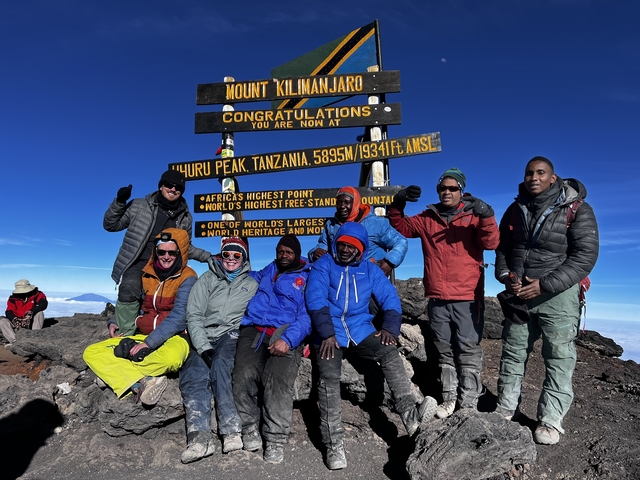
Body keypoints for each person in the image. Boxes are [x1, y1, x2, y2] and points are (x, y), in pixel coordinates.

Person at [305, 221, 437, 470]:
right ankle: (334, 445)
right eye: (341, 244)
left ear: (361, 248)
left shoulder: (370, 269)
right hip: (329, 331)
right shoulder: (324, 264)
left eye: (351, 246)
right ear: (336, 243)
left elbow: (390, 298)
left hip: (360, 329)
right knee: (328, 378)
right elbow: (315, 298)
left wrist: (389, 328)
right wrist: (326, 333)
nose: (345, 250)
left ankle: (410, 416)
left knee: (388, 350)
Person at [493, 156, 599, 445]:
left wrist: (545, 284)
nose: (534, 177)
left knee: (559, 357)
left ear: (553, 178)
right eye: (529, 173)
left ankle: (551, 420)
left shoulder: (577, 209)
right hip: (519, 295)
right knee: (513, 352)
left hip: (558, 295)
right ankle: (506, 407)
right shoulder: (515, 209)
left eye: (541, 173)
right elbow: (503, 247)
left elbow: (584, 256)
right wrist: (506, 275)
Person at [388, 168, 500, 418]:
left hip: (468, 296)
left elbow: (491, 243)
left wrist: (488, 215)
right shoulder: (429, 217)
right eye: (442, 188)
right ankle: (449, 398)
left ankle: (468, 401)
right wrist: (398, 202)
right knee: (444, 349)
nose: (446, 192)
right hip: (437, 296)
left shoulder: (473, 216)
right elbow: (401, 227)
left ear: (461, 190)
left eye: (452, 188)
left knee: (468, 348)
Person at [83, 228, 196, 406]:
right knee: (91, 352)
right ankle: (148, 378)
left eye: (172, 252)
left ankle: (116, 373)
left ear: (180, 253)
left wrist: (148, 344)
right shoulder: (147, 275)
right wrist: (115, 321)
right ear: (156, 252)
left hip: (175, 337)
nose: (166, 256)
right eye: (161, 252)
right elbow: (134, 306)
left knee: (171, 359)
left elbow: (180, 316)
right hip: (141, 334)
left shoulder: (188, 277)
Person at [232, 234, 311, 465]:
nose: (284, 256)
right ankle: (249, 427)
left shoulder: (307, 277)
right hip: (254, 328)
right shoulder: (270, 269)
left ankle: (275, 439)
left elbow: (307, 316)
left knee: (277, 379)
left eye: (289, 252)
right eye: (280, 251)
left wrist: (288, 339)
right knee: (242, 373)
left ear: (296, 253)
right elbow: (247, 277)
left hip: (285, 331)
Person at [103, 169, 210, 338]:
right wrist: (120, 201)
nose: (173, 189)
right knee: (129, 288)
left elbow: (185, 247)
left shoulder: (185, 217)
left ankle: (158, 335)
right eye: (169, 185)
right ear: (161, 186)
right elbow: (111, 225)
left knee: (166, 301)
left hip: (166, 264)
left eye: (178, 187)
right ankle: (124, 335)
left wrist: (209, 257)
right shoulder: (139, 205)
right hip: (138, 263)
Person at [180, 237, 258, 463]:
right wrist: (203, 347)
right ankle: (199, 438)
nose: (231, 259)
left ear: (244, 258)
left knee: (222, 365)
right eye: (227, 255)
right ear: (221, 256)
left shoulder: (251, 284)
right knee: (193, 373)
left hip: (231, 334)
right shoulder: (206, 279)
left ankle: (231, 430)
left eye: (237, 255)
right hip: (203, 333)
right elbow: (193, 315)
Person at [308, 186, 408, 276]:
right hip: (340, 278)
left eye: (347, 202)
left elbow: (401, 242)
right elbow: (323, 245)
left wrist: (390, 262)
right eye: (339, 202)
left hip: (370, 277)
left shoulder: (376, 223)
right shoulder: (331, 225)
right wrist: (315, 253)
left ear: (355, 203)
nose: (342, 206)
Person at [0, 280, 48, 345]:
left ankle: (34, 337)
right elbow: (9, 311)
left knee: (39, 313)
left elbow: (43, 303)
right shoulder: (13, 299)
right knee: (3, 321)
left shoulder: (38, 294)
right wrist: (14, 319)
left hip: (31, 322)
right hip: (17, 323)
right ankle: (14, 341)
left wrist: (31, 312)